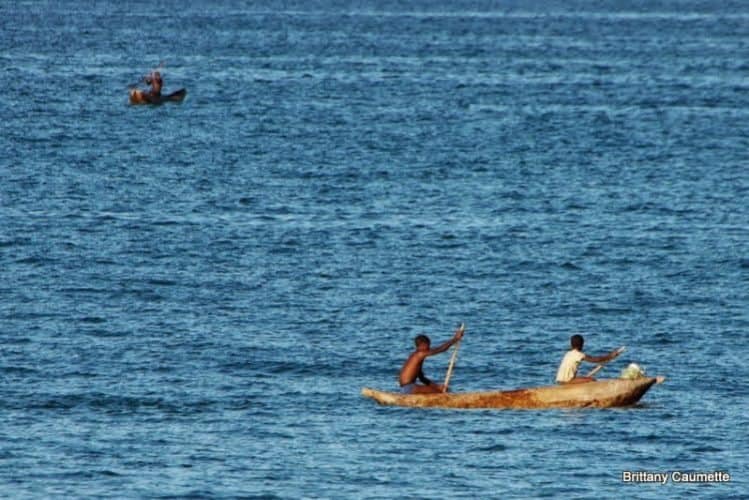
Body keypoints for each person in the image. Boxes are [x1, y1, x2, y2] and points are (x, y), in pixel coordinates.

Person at [398, 326, 464, 394]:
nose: (429, 348)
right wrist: (455, 339)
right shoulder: (419, 354)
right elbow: (441, 349)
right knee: (439, 393)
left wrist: (437, 386)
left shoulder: (416, 358)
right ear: (423, 345)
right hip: (409, 388)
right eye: (428, 345)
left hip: (405, 389)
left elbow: (422, 379)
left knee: (439, 390)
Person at [555, 334, 622, 384]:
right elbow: (595, 359)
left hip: (560, 380)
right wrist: (610, 356)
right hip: (567, 381)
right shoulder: (578, 354)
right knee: (592, 380)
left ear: (571, 345)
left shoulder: (568, 353)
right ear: (582, 345)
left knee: (585, 379)